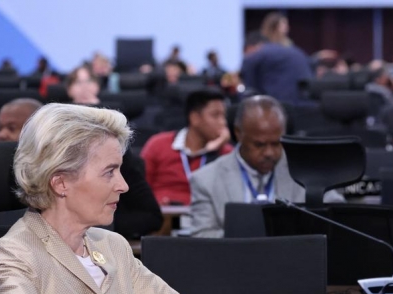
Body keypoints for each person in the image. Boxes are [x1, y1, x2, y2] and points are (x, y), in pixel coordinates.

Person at [0, 103, 206, 294]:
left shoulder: (112, 245)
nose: (124, 185)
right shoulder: (14, 253)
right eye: (109, 171)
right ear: (60, 182)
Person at [189, 95, 344, 238]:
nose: (269, 152)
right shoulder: (206, 180)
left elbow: (338, 217)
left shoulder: (306, 171)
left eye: (277, 143)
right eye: (259, 144)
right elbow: (201, 236)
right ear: (238, 133)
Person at [141, 89, 233, 206]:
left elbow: (230, 197)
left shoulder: (225, 153)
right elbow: (139, 190)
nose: (223, 122)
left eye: (224, 116)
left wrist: (212, 153)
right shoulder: (157, 144)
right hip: (164, 218)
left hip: (205, 219)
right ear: (195, 118)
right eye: (215, 116)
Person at [240, 32, 312, 105]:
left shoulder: (258, 53)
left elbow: (248, 92)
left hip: (282, 107)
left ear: (250, 47)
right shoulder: (297, 51)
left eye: (245, 53)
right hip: (308, 106)